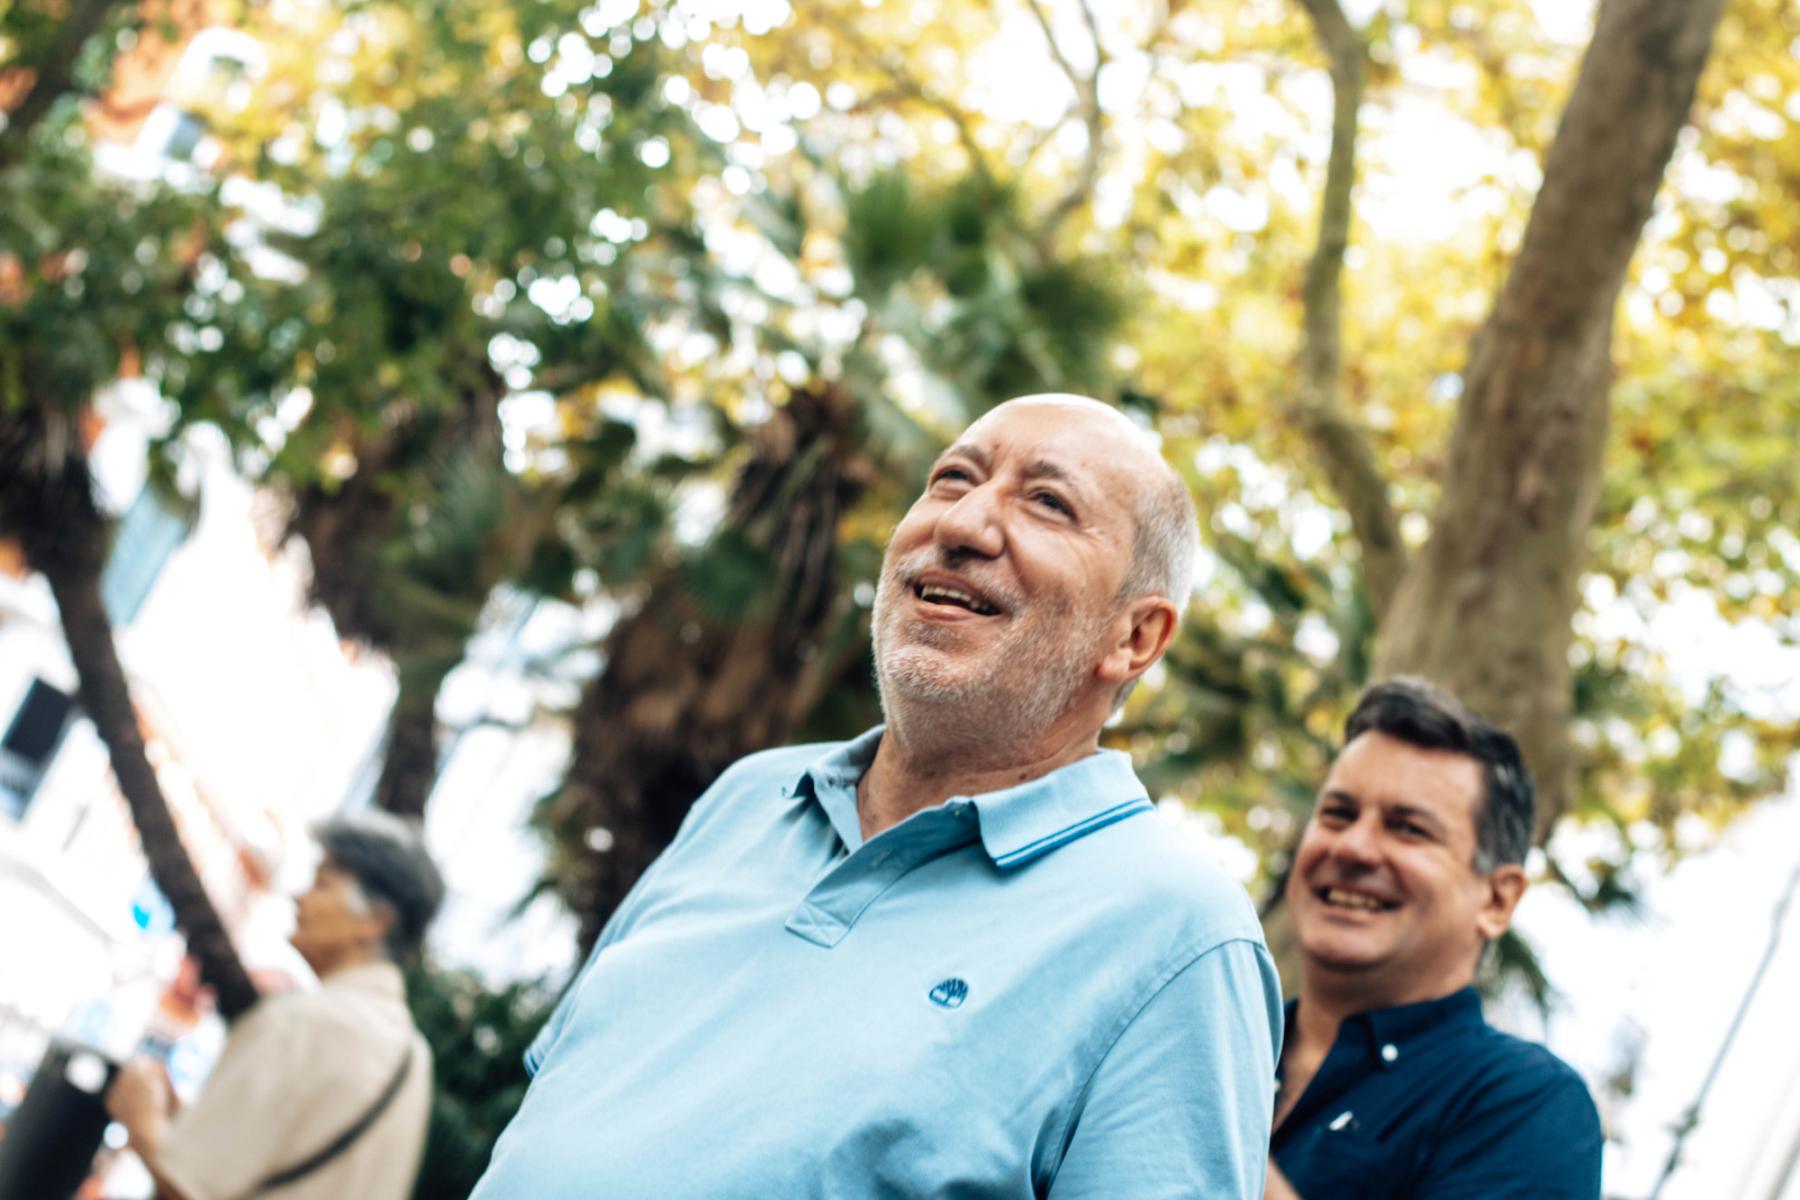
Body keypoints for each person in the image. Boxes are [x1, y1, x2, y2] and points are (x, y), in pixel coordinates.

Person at [473, 394, 1283, 1198]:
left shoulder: (1179, 933)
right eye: (952, 478)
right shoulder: (751, 796)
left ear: (1134, 637)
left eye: (1047, 502)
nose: (963, 523)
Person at [1267, 678, 1603, 1200]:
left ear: (1497, 901)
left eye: (1409, 829)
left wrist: (1209, 1139)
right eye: (1338, 815)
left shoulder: (1525, 1102)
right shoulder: (1219, 1039)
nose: (1353, 847)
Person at [105, 810, 444, 1200]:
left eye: (322, 883)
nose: (300, 897)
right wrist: (188, 1122)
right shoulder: (414, 1058)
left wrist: (141, 1120)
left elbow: (192, 1189)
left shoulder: (301, 1020)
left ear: (375, 921)